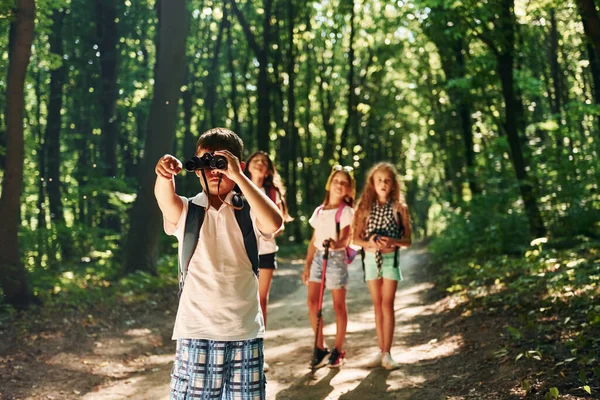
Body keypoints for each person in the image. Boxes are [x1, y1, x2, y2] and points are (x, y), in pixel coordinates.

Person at [155, 127, 283, 399]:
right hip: (198, 331)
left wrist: (238, 176)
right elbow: (165, 200)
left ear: (238, 165)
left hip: (244, 331)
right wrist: (164, 176)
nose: (214, 171)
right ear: (197, 167)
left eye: (221, 163)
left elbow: (274, 222)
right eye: (207, 162)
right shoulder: (188, 210)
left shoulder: (248, 210)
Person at [352, 162, 412, 370]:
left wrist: (392, 242)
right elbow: (355, 239)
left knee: (388, 304)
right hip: (370, 259)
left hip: (390, 260)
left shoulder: (399, 208)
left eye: (387, 180)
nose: (383, 184)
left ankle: (387, 352)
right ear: (372, 183)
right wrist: (370, 243)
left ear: (393, 184)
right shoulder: (364, 207)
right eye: (379, 180)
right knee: (377, 305)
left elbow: (408, 240)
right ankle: (381, 351)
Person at [302, 165, 356, 368]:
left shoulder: (346, 212)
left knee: (338, 305)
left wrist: (336, 244)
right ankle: (320, 347)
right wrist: (307, 265)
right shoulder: (320, 211)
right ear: (329, 184)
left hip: (335, 258)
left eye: (344, 183)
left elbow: (345, 238)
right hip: (318, 257)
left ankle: (338, 349)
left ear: (349, 189)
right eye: (336, 181)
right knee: (312, 303)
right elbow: (313, 240)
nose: (339, 185)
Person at [244, 151, 293, 372]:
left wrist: (271, 230)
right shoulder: (238, 187)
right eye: (256, 160)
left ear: (269, 170)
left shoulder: (272, 192)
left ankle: (258, 352)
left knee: (260, 300)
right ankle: (240, 350)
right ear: (247, 166)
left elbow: (280, 222)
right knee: (243, 300)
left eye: (265, 162)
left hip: (266, 250)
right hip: (242, 250)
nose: (261, 164)